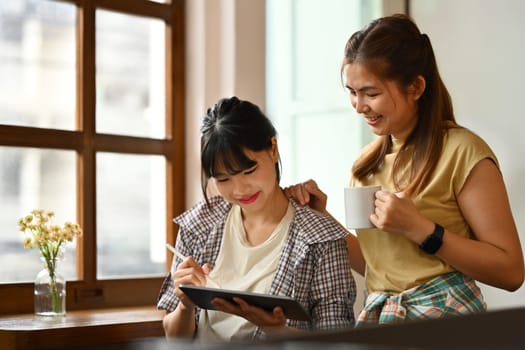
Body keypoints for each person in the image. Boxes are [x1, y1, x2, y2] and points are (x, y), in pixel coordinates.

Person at [285, 14, 524, 327]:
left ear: (416, 87)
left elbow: (511, 272)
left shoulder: (462, 152)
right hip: (386, 321)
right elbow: (380, 269)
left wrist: (421, 229)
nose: (358, 106)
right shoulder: (364, 168)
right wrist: (323, 219)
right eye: (352, 92)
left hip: (447, 321)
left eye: (371, 93)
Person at [157, 96, 356, 342]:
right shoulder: (199, 224)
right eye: (223, 179)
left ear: (273, 149)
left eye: (248, 171)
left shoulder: (319, 238)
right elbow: (174, 336)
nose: (240, 190)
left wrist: (275, 329)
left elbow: (336, 343)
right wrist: (185, 306)